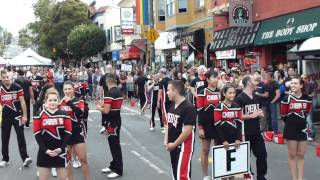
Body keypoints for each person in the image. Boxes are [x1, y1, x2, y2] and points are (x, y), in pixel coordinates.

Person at [33, 89, 72, 180]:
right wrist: (45, 150)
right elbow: (37, 133)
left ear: (59, 101)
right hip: (44, 152)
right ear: (45, 101)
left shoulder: (64, 114)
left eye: (55, 100)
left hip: (61, 151)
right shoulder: (39, 115)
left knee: (63, 178)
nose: (53, 102)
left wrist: (61, 148)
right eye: (50, 100)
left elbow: (68, 132)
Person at [234, 75, 268, 180]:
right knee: (245, 157)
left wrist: (260, 113)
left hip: (256, 131)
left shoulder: (256, 97)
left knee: (262, 154)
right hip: (244, 132)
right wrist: (251, 115)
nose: (257, 82)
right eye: (254, 80)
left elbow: (258, 110)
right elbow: (236, 116)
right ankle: (248, 176)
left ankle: (261, 176)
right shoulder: (239, 98)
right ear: (249, 83)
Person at [280, 77, 312, 180]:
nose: (293, 85)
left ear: (301, 85)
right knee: (292, 154)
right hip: (290, 128)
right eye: (292, 83)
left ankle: (300, 178)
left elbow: (308, 112)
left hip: (303, 129)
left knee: (301, 154)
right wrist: (290, 123)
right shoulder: (286, 99)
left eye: (295, 83)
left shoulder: (308, 99)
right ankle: (294, 178)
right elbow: (283, 115)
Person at [164, 80, 196, 180]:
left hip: (184, 147)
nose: (166, 92)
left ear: (175, 91)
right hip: (173, 145)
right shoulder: (172, 105)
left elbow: (187, 131)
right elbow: (168, 125)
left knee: (182, 176)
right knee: (175, 173)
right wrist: (166, 141)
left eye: (168, 90)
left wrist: (174, 144)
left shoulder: (189, 108)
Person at [0, 70, 32, 167]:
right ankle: (5, 159)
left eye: (7, 77)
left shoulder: (17, 87)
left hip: (17, 116)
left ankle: (25, 158)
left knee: (20, 136)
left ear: (11, 77)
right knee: (5, 138)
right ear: (1, 78)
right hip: (4, 117)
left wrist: (25, 115)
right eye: (4, 77)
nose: (6, 79)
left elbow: (23, 102)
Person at [59, 81, 91, 180]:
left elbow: (80, 112)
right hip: (66, 134)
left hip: (77, 132)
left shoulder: (79, 100)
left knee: (82, 159)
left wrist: (69, 102)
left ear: (73, 89)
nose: (67, 91)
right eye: (65, 89)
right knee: (68, 160)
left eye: (69, 89)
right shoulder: (60, 102)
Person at [96, 74, 124, 179]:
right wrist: (103, 105)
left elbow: (106, 110)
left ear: (108, 82)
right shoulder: (119, 92)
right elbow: (112, 107)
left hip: (111, 123)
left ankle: (118, 169)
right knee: (114, 145)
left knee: (115, 146)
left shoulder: (109, 93)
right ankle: (114, 165)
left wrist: (99, 107)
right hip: (116, 120)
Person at [214, 85, 242, 180]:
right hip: (223, 139)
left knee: (232, 168)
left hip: (234, 139)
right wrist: (223, 140)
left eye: (234, 93)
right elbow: (217, 126)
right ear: (224, 93)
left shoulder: (237, 106)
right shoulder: (219, 107)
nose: (232, 95)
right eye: (230, 93)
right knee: (223, 167)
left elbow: (239, 124)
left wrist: (238, 138)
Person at [196, 70, 220, 180]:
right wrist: (200, 127)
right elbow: (199, 111)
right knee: (205, 150)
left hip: (219, 125)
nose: (216, 79)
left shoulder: (221, 92)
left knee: (219, 149)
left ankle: (219, 173)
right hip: (206, 125)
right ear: (207, 79)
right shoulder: (202, 92)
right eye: (214, 77)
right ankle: (206, 175)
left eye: (217, 77)